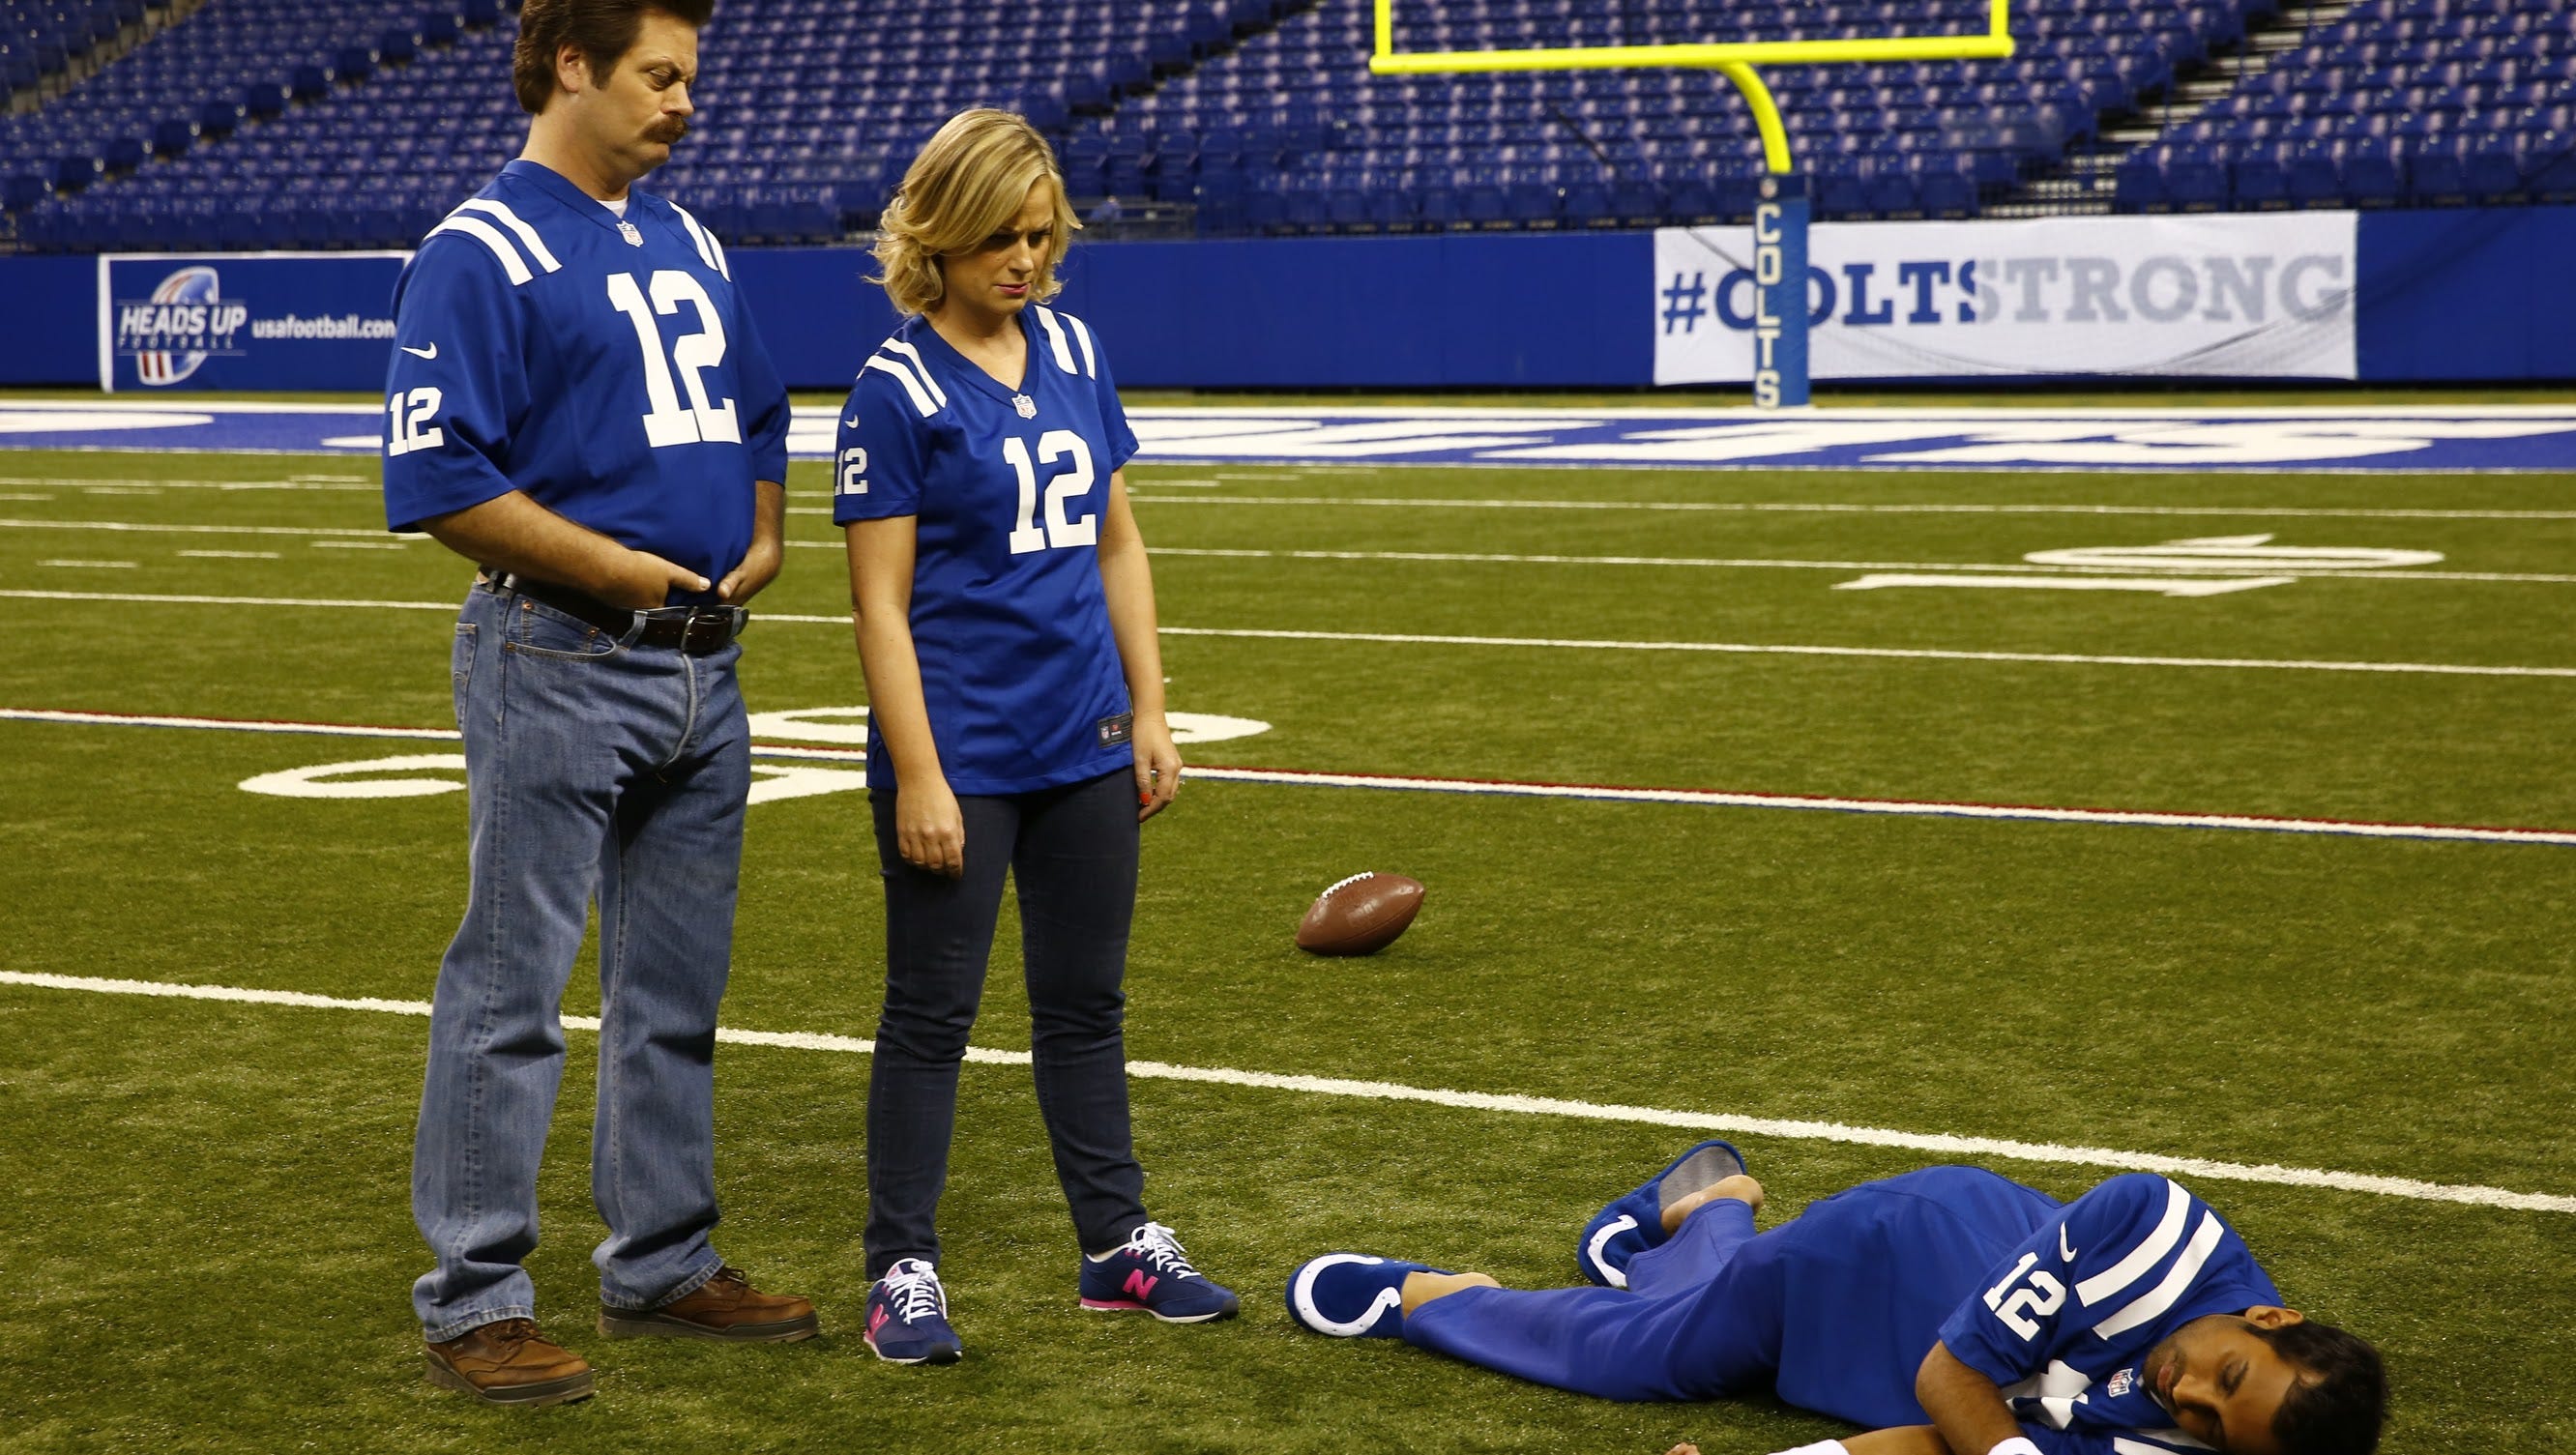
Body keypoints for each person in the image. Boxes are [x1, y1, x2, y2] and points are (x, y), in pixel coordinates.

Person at [382, 0, 812, 1407]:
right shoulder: (481, 248)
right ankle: (475, 1297)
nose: (685, 102)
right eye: (659, 74)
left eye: (689, 77)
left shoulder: (690, 238)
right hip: (558, 651)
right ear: (571, 65)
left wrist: (765, 530)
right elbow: (439, 476)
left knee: (674, 991)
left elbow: (760, 411)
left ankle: (663, 1258)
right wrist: (613, 566)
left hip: (706, 662)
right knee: (512, 992)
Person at [834, 108, 1238, 1365]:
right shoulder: (895, 388)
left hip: (1085, 740)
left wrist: (1151, 708)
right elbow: (880, 606)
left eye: (1039, 233)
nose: (1024, 258)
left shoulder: (1070, 345)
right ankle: (899, 1267)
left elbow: (1118, 541)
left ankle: (1115, 1244)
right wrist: (919, 773)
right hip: (964, 755)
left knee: (1084, 1005)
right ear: (939, 236)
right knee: (930, 1014)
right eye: (998, 236)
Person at [1289, 1142, 2387, 1455]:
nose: (2185, 1394)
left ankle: (1704, 1212)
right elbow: (1952, 1385)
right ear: (2271, 1317)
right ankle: (1428, 1297)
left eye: (2210, 1421)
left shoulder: (2198, 1437)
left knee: (1723, 1331)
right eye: (2225, 1374)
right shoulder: (2155, 1220)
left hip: (1932, 1376)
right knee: (1648, 1358)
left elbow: (1943, 1443)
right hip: (1901, 1247)